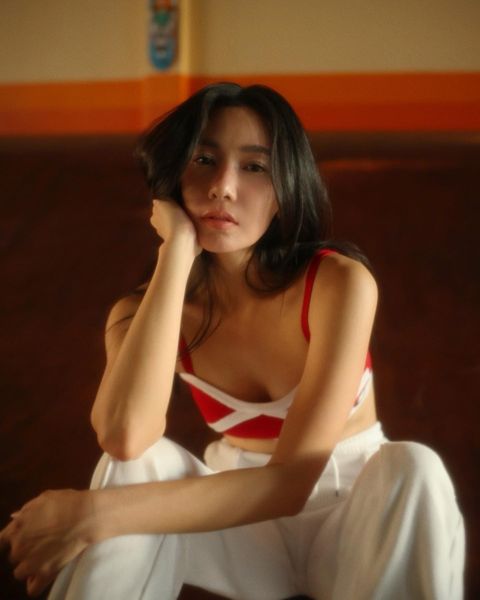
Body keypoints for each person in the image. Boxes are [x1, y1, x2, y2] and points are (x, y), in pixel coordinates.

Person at [1, 83, 465, 599]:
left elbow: (291, 483)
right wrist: (177, 251)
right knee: (135, 464)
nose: (223, 186)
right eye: (204, 159)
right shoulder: (139, 314)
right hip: (247, 533)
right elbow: (125, 438)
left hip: (359, 520)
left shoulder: (339, 284)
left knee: (415, 466)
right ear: (173, 178)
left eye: (254, 166)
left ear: (284, 189)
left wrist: (89, 514)